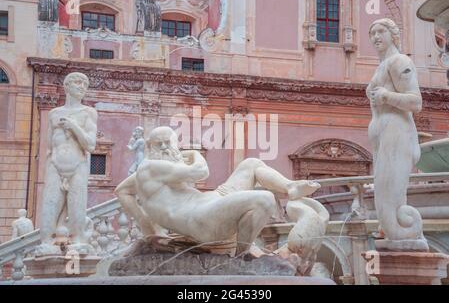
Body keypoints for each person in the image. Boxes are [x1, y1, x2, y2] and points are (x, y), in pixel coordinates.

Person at [115, 126, 320, 255]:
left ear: (175, 143)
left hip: (210, 203)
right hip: (200, 220)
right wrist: (194, 153)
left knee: (251, 163)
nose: (164, 147)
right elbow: (201, 171)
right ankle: (242, 255)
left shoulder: (153, 171)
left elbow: (122, 190)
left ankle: (289, 186)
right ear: (149, 147)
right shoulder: (151, 167)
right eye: (158, 144)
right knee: (264, 199)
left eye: (167, 142)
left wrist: (146, 225)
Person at [366, 18, 428, 251]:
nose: (376, 37)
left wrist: (386, 96)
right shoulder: (381, 66)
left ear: (393, 34)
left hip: (396, 133)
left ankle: (407, 238)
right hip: (383, 136)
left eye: (381, 31)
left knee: (389, 200)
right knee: (384, 198)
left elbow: (416, 102)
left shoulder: (400, 61)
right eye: (372, 33)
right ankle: (400, 241)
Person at [35, 72, 98, 256]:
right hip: (55, 164)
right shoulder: (54, 114)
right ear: (67, 86)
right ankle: (46, 242)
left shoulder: (88, 113)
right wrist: (49, 166)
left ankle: (78, 240)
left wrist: (74, 127)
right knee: (50, 204)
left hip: (78, 164)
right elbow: (48, 146)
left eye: (84, 84)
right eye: (77, 83)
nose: (81, 87)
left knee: (77, 205)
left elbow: (91, 145)